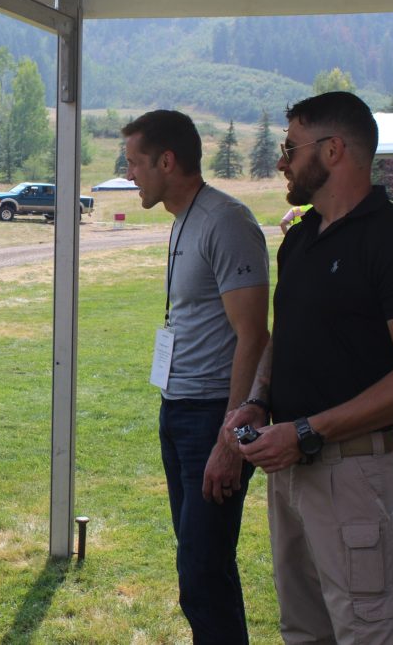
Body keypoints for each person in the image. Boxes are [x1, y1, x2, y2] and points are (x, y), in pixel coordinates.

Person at [230, 91, 393, 644]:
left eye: (289, 148)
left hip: (354, 476)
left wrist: (307, 431)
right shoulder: (300, 239)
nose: (281, 161)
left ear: (332, 150)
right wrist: (259, 400)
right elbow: (290, 336)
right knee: (304, 632)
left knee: (373, 631)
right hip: (289, 472)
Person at [122, 110, 270, 644]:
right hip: (179, 411)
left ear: (168, 160)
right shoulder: (184, 218)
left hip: (213, 416)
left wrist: (231, 435)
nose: (130, 173)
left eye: (135, 162)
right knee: (203, 567)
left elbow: (254, 335)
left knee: (202, 574)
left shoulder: (225, 221)